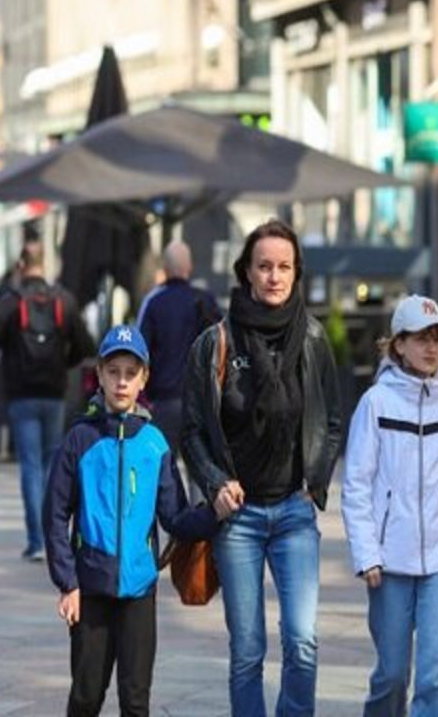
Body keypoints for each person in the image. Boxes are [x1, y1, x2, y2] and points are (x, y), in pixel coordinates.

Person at [180, 218, 342, 717]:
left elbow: (332, 421)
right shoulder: (215, 344)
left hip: (294, 512)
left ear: (296, 273)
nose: (274, 276)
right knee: (247, 650)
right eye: (264, 266)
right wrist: (213, 484)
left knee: (303, 640)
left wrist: (315, 481)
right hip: (239, 519)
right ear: (246, 271)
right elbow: (191, 431)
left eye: (284, 267)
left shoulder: (313, 340)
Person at [43, 324, 220, 717]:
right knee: (86, 696)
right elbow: (55, 514)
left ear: (144, 379)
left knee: (136, 700)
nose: (121, 382)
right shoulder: (79, 439)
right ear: (100, 376)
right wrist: (67, 582)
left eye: (130, 373)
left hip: (139, 589)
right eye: (114, 372)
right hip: (89, 589)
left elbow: (174, 516)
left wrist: (215, 514)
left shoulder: (155, 443)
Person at [341, 295, 438, 716]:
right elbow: (357, 485)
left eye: (437, 338)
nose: (432, 348)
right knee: (391, 675)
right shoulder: (375, 404)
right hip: (389, 563)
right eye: (422, 338)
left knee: (437, 676)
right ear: (398, 344)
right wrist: (367, 554)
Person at [0, 243, 95, 561]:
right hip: (54, 392)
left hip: (21, 394)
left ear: (20, 265)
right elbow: (86, 345)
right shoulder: (64, 300)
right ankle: (54, 537)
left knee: (31, 467)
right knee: (51, 466)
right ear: (44, 264)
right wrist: (65, 361)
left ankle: (36, 542)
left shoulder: (10, 301)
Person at [137, 240, 221, 450]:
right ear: (190, 267)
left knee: (162, 471)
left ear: (164, 268)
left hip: (164, 401)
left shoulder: (153, 302)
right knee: (201, 475)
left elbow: (139, 352)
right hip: (202, 403)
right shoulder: (206, 301)